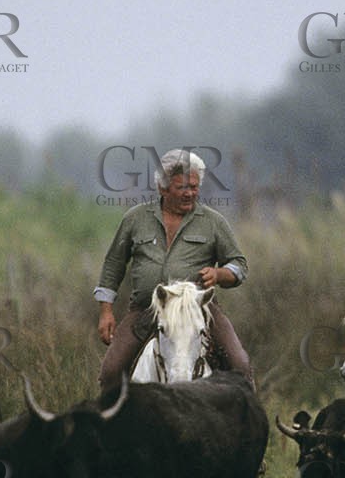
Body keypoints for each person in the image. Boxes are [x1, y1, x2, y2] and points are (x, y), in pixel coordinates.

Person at [94, 148, 252, 391]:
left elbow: (239, 266)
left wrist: (219, 274)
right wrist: (106, 312)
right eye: (182, 188)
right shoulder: (135, 219)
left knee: (240, 365)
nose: (190, 193)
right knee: (111, 373)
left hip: (199, 310)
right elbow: (114, 264)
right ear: (163, 188)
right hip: (147, 310)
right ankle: (112, 426)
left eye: (194, 187)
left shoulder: (213, 221)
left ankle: (247, 425)